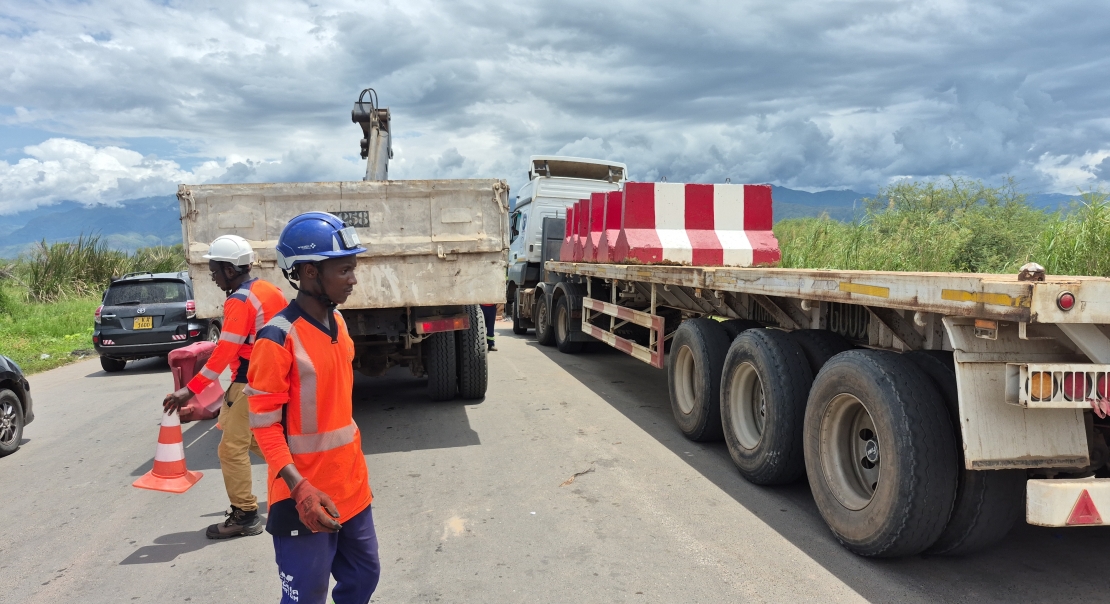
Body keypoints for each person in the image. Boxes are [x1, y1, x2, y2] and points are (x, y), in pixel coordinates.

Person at [247, 212, 379, 604]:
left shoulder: (339, 322)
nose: (353, 279)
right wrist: (299, 488)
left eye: (353, 268)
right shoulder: (276, 338)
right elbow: (264, 425)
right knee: (306, 597)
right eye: (344, 269)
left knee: (364, 578)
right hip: (304, 500)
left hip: (352, 491)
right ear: (308, 273)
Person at [163, 234, 287, 539]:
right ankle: (304, 484)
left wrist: (189, 390)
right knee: (260, 441)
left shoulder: (240, 300)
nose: (213, 277)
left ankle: (245, 515)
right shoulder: (269, 290)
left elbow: (225, 351)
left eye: (215, 270)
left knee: (231, 450)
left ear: (230, 270)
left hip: (250, 383)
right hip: (272, 378)